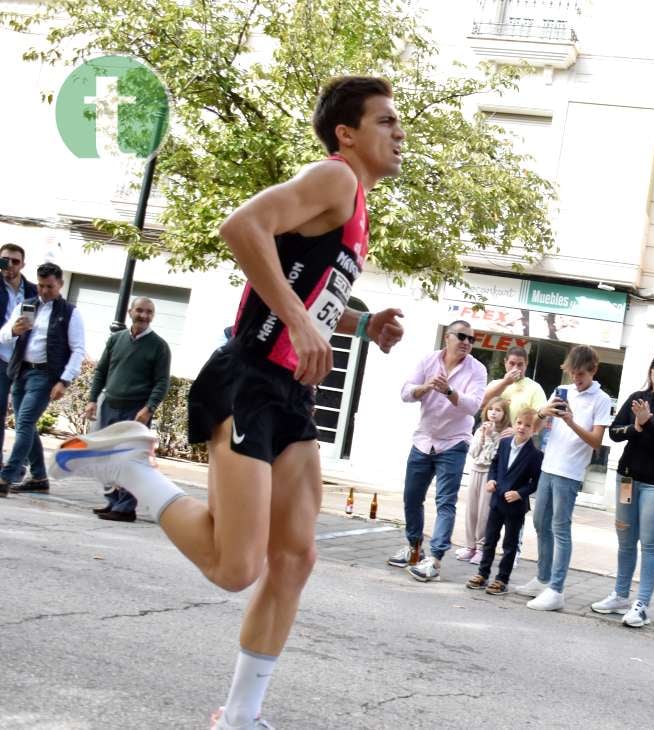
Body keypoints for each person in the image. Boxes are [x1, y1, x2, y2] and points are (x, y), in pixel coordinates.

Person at [48, 76, 406, 728]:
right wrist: (296, 319)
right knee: (236, 566)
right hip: (247, 379)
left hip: (289, 395)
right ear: (346, 134)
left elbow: (307, 287)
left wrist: (360, 321)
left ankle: (239, 716)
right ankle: (133, 470)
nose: (400, 133)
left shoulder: (356, 211)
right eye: (386, 121)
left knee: (296, 557)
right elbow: (242, 226)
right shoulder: (335, 179)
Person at [591, 352, 654, 628]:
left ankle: (642, 605)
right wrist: (636, 427)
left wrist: (647, 423)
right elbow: (614, 432)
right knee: (625, 540)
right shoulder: (638, 397)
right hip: (627, 479)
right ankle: (621, 596)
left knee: (649, 544)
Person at [389, 320, 487, 582]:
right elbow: (406, 392)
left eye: (471, 339)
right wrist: (426, 387)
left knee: (445, 502)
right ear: (448, 337)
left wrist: (449, 391)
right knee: (412, 497)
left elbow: (473, 406)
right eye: (462, 336)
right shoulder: (428, 361)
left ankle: (436, 559)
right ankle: (414, 548)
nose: (467, 342)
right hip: (424, 440)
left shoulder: (477, 370)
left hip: (454, 443)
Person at [517, 344, 612, 611]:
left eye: (580, 374)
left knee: (560, 528)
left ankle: (556, 589)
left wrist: (570, 421)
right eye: (571, 373)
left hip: (570, 471)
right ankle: (543, 578)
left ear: (592, 370)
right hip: (549, 464)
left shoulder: (601, 399)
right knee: (539, 522)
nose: (575, 379)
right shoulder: (563, 392)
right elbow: (534, 430)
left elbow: (596, 442)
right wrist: (541, 413)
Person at [0, 262, 86, 496]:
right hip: (21, 371)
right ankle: (39, 477)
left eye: (49, 286)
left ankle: (6, 478)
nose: (44, 291)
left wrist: (64, 380)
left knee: (25, 423)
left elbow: (78, 350)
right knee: (25, 425)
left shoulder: (69, 312)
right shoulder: (26, 305)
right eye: (40, 285)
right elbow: (3, 335)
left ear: (60, 284)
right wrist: (14, 332)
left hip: (45, 374)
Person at [83, 297, 171, 521]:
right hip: (110, 405)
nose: (144, 315)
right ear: (130, 311)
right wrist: (93, 400)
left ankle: (125, 508)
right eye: (140, 310)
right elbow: (101, 371)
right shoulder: (116, 340)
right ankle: (113, 501)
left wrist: (149, 408)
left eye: (149, 312)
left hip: (136, 411)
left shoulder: (159, 346)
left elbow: (161, 382)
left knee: (130, 459)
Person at [466, 407, 543, 596]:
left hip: (515, 506)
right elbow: (495, 464)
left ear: (534, 430)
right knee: (490, 540)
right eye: (519, 423)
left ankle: (502, 579)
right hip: (497, 500)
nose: (522, 428)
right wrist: (491, 479)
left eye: (528, 425)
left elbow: (536, 482)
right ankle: (482, 573)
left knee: (509, 544)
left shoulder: (535, 454)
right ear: (514, 423)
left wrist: (520, 493)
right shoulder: (505, 443)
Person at [457, 396, 509, 563]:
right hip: (475, 471)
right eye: (491, 409)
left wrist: (490, 437)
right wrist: (483, 435)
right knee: (471, 510)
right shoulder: (480, 429)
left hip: (490, 475)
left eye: (498, 410)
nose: (493, 413)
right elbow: (473, 452)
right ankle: (470, 546)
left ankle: (482, 548)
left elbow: (492, 456)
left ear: (504, 414)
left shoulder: (504, 434)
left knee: (484, 513)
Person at [0, 243, 37, 474]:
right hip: (1, 357)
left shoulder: (34, 291)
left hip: (26, 360)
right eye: (4, 260)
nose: (9, 265)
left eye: (15, 261)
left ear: (23, 264)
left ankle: (29, 466)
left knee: (26, 416)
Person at [481, 344, 547, 430]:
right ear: (505, 362)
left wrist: (517, 430)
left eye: (520, 365)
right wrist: (505, 383)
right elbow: (481, 404)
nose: (515, 368)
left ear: (526, 364)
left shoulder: (535, 388)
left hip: (516, 437)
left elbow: (540, 418)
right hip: (490, 434)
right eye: (511, 364)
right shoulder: (495, 384)